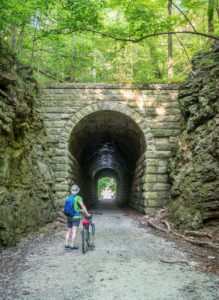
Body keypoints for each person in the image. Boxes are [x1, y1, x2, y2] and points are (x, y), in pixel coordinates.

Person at [64, 184, 90, 250]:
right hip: (76, 217)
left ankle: (66, 244)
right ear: (77, 191)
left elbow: (70, 207)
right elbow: (82, 206)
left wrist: (79, 210)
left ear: (71, 190)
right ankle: (72, 245)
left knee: (69, 230)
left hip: (69, 216)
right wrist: (86, 213)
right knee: (74, 231)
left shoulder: (68, 197)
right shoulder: (78, 197)